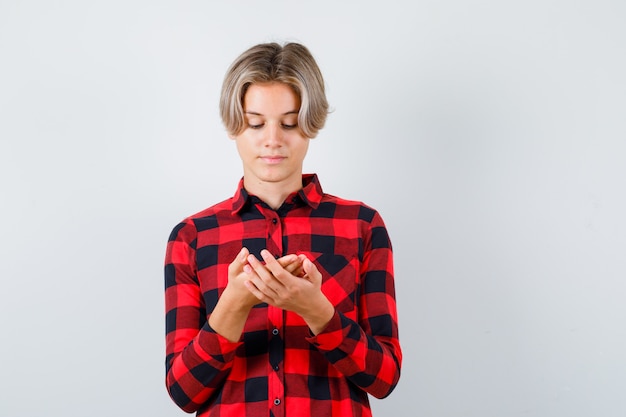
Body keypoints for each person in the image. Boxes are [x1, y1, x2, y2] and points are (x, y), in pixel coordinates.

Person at [164, 42, 402, 417]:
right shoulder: (192, 237)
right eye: (256, 123)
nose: (272, 139)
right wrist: (234, 304)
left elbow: (384, 378)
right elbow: (183, 393)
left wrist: (319, 312)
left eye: (289, 123)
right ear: (234, 126)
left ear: (311, 125)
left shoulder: (362, 226)